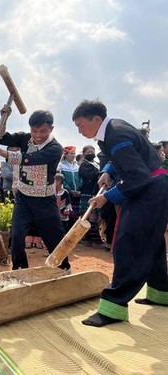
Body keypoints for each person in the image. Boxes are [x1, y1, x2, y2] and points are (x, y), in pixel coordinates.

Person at [72, 99, 168, 328]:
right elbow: (123, 158)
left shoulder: (115, 134)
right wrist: (107, 171)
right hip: (155, 187)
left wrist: (108, 196)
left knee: (127, 243)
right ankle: (161, 292)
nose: (80, 131)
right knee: (152, 242)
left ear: (96, 119)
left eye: (81, 125)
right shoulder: (113, 128)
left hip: (150, 189)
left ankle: (113, 307)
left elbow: (139, 176)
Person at [0, 110, 71, 271]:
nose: (38, 135)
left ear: (51, 129)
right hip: (23, 197)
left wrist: (2, 153)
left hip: (45, 200)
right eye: (34, 130)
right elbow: (2, 137)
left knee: (54, 237)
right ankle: (19, 269)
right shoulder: (25, 138)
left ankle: (63, 268)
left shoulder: (55, 148)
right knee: (17, 235)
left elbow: (30, 160)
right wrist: (4, 118)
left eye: (43, 131)